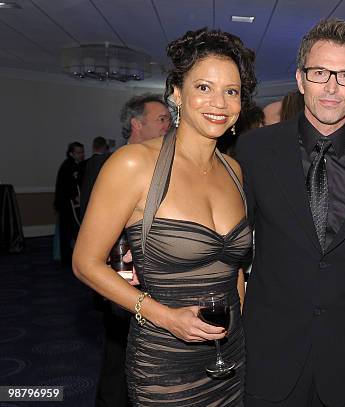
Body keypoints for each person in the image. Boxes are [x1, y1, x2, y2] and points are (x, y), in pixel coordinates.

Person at [73, 27, 256, 406]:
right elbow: (85, 263)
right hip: (166, 361)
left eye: (231, 91)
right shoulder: (133, 164)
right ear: (177, 92)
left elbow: (234, 269)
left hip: (232, 355)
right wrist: (164, 316)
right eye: (204, 87)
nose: (219, 102)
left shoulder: (235, 172)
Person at [235, 18, 345, 407]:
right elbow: (225, 232)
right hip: (271, 354)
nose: (331, 87)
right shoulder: (254, 150)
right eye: (320, 73)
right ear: (300, 79)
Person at [79, 95, 170, 407]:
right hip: (119, 278)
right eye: (161, 119)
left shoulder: (164, 164)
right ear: (137, 123)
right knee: (118, 358)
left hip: (156, 282)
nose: (168, 125)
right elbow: (94, 230)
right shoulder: (107, 165)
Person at [54, 141, 85, 266]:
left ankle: (72, 258)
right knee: (67, 232)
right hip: (66, 205)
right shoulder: (68, 166)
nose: (81, 155)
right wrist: (75, 196)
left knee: (73, 231)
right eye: (78, 152)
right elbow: (66, 186)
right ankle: (66, 260)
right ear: (71, 153)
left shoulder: (77, 165)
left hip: (71, 204)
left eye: (82, 152)